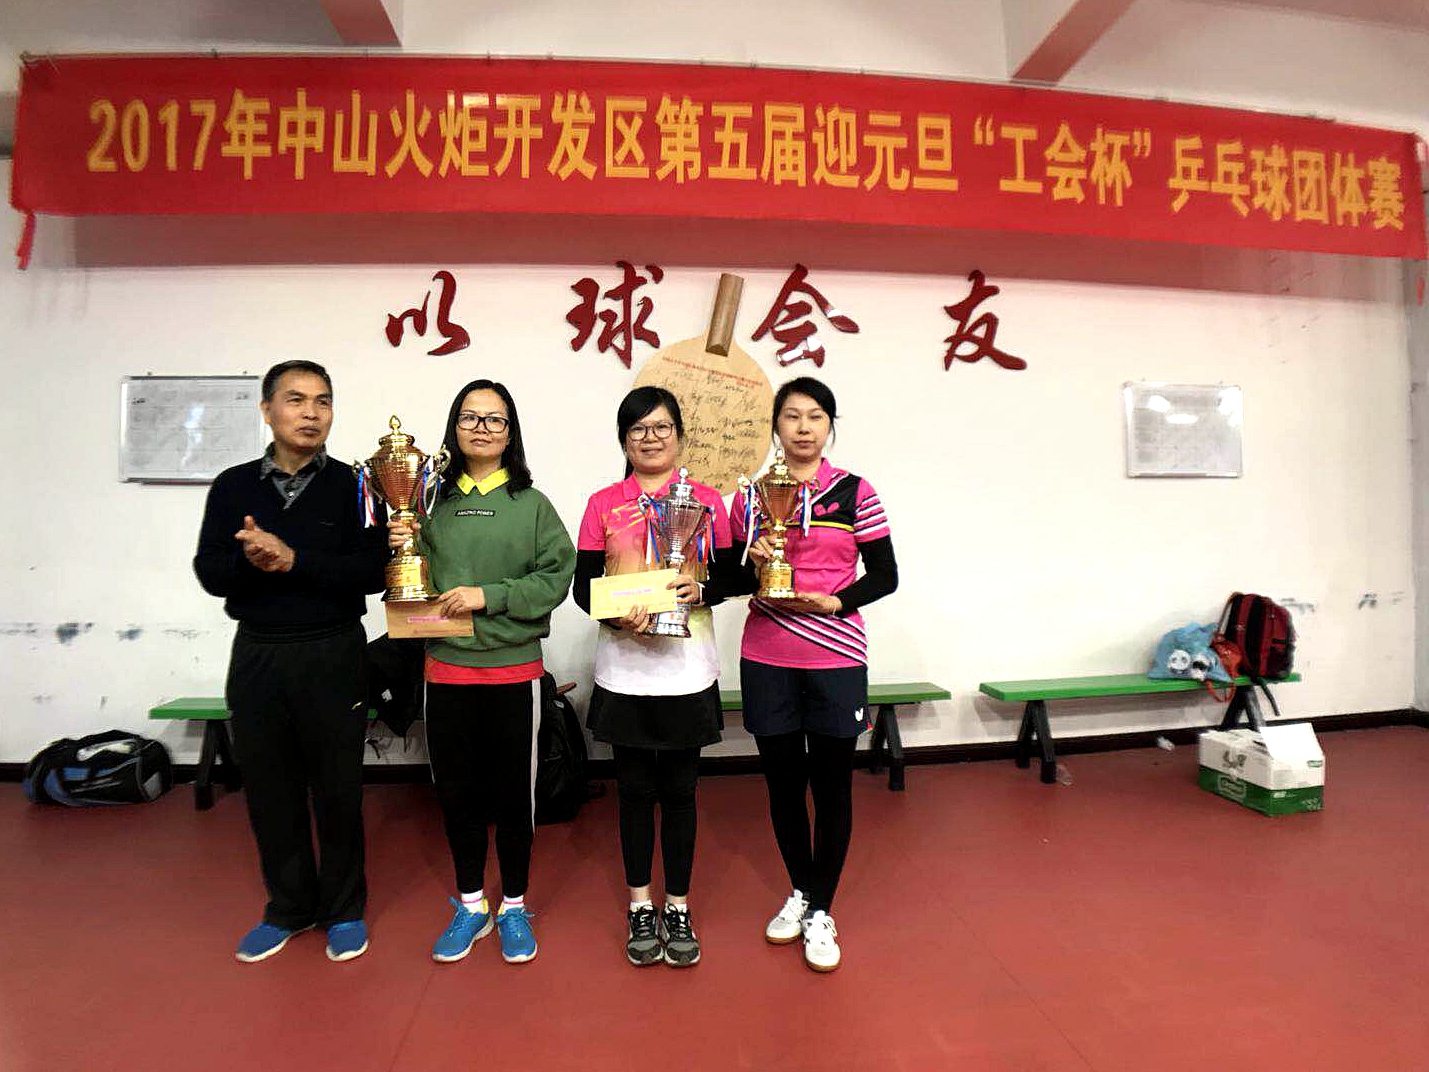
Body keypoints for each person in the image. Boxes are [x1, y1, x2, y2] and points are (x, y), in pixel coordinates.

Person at [193, 359, 387, 964]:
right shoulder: (233, 487)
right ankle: (287, 908)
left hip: (333, 649)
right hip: (258, 652)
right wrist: (250, 560)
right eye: (296, 400)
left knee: (338, 789)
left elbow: (374, 571)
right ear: (267, 409)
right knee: (269, 789)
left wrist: (293, 559)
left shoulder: (358, 485)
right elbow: (209, 572)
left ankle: (344, 909)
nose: (311, 413)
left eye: (323, 401)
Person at [389, 379, 575, 966]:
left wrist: (487, 595)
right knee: (457, 797)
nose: (482, 428)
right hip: (446, 671)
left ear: (510, 432)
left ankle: (513, 906)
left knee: (515, 798)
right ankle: (472, 904)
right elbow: (410, 582)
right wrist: (399, 542)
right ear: (454, 427)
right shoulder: (428, 503)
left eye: (495, 419)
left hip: (514, 674)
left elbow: (556, 577)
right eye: (470, 417)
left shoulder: (533, 504)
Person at [731, 376, 898, 972]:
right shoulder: (751, 496)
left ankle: (822, 908)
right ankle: (800, 892)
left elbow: (886, 575)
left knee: (831, 788)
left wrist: (838, 601)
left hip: (836, 659)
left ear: (830, 426)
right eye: (792, 416)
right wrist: (749, 563)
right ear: (775, 425)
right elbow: (731, 579)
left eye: (816, 416)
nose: (803, 428)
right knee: (782, 786)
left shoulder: (856, 492)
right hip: (767, 657)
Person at [572, 386, 735, 968]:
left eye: (662, 427)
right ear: (624, 441)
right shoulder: (602, 504)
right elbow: (583, 586)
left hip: (687, 670)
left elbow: (732, 575)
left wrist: (701, 589)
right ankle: (640, 904)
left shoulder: (706, 501)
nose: (651, 437)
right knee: (635, 792)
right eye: (638, 429)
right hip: (625, 669)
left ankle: (678, 905)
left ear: (680, 437)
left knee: (682, 792)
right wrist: (617, 615)